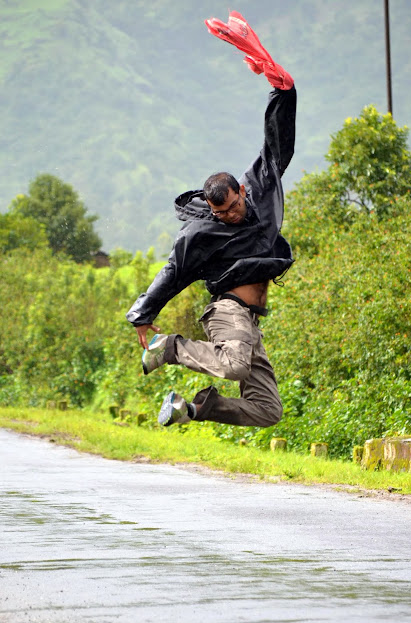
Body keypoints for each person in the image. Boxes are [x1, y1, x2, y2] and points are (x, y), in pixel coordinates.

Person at [126, 11, 296, 428]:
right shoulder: (202, 230)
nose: (230, 216)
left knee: (268, 411)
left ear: (240, 191)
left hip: (250, 323)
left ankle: (192, 409)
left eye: (233, 207)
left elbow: (275, 146)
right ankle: (169, 348)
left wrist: (282, 91)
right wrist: (143, 313)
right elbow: (174, 270)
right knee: (234, 366)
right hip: (227, 313)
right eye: (221, 213)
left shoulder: (259, 191)